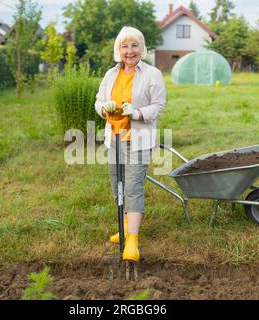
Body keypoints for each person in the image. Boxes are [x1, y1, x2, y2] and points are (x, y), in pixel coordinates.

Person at [94, 26, 166, 262]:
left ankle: (132, 240)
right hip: (114, 138)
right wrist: (104, 108)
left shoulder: (152, 74)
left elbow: (158, 106)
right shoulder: (110, 74)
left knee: (133, 187)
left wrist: (136, 112)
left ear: (142, 48)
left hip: (138, 140)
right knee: (118, 186)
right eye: (125, 46)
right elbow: (99, 101)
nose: (130, 50)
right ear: (119, 49)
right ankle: (123, 229)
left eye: (134, 45)